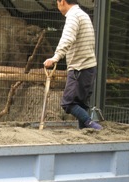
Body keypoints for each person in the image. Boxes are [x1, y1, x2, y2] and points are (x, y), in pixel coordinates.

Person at [44, 0, 102, 130]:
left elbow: (67, 38)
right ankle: (87, 132)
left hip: (79, 67)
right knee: (80, 105)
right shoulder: (83, 14)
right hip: (89, 67)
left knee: (68, 103)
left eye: (57, 3)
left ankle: (92, 125)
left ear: (62, 2)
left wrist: (55, 57)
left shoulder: (73, 16)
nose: (57, 6)